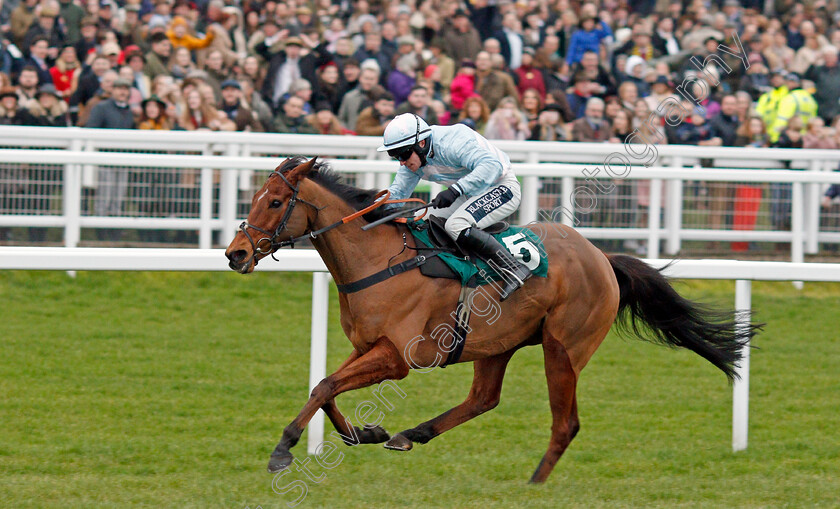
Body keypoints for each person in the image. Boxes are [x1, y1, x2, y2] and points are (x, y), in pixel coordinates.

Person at [378, 113, 531, 300]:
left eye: (402, 154)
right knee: (421, 219)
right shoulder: (414, 157)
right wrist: (371, 209)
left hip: (502, 187)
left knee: (455, 225)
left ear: (422, 144)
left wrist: (456, 190)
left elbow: (492, 166)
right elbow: (398, 195)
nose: (401, 162)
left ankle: (513, 268)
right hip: (469, 194)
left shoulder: (452, 142)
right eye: (395, 156)